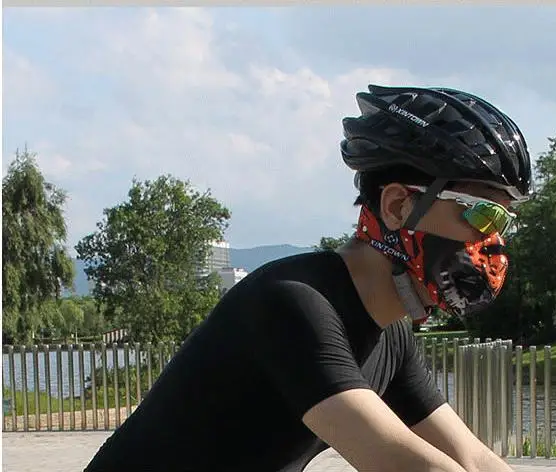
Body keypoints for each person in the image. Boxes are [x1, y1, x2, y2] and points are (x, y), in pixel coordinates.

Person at [83, 84, 532, 472]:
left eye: (504, 223)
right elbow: (399, 461)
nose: (492, 241)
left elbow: (474, 459)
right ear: (398, 206)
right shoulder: (293, 304)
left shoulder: (390, 335)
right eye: (483, 215)